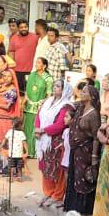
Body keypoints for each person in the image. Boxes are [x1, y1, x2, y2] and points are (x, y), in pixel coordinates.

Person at [64, 82, 102, 216]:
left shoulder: (93, 114)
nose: (81, 93)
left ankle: (83, 210)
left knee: (83, 179)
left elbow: (96, 136)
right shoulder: (80, 108)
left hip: (86, 151)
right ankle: (72, 208)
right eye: (82, 91)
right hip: (76, 150)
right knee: (74, 176)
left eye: (85, 92)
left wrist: (94, 157)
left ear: (91, 97)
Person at [37, 78, 73, 206]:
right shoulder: (48, 101)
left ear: (64, 90)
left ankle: (57, 195)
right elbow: (39, 115)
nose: (55, 88)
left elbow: (60, 124)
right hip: (44, 139)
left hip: (56, 141)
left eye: (58, 86)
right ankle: (48, 193)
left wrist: (43, 130)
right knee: (45, 166)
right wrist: (37, 129)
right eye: (55, 85)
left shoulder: (66, 106)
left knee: (57, 169)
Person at [22, 55, 52, 156]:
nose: (36, 64)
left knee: (35, 129)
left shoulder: (48, 79)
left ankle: (35, 152)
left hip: (40, 107)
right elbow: (27, 90)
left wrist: (43, 103)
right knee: (27, 128)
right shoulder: (31, 75)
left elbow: (49, 94)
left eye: (39, 63)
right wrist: (24, 101)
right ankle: (26, 151)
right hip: (29, 106)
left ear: (44, 66)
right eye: (36, 62)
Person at [9, 19, 39, 96]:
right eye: (21, 27)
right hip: (17, 71)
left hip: (31, 70)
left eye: (25, 27)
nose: (24, 29)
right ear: (18, 28)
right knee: (19, 93)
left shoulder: (35, 37)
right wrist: (12, 68)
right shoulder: (14, 38)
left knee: (31, 93)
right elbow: (11, 52)